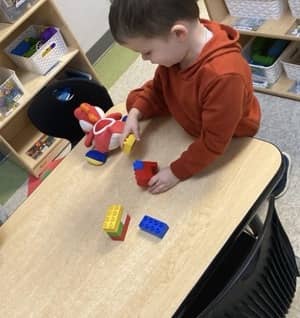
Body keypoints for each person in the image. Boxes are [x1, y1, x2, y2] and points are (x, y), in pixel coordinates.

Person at [108, 0, 262, 194]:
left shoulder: (224, 76)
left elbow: (214, 142)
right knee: (133, 102)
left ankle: (273, 173)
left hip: (232, 134)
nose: (145, 59)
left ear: (179, 33)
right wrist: (135, 113)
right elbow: (158, 88)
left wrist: (176, 172)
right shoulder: (179, 50)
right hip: (191, 108)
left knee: (229, 183)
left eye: (147, 52)